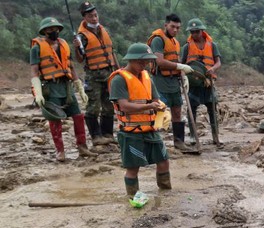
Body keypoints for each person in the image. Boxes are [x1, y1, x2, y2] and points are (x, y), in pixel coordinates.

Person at [30, 17, 98, 162]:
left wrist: (79, 87)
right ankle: (60, 151)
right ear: (44, 32)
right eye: (49, 29)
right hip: (50, 87)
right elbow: (34, 71)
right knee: (55, 119)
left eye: (55, 29)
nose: (53, 31)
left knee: (78, 115)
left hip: (66, 86)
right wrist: (38, 93)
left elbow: (71, 66)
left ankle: (82, 147)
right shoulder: (37, 48)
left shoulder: (64, 44)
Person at [108, 43, 171, 197]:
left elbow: (156, 99)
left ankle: (165, 192)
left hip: (150, 129)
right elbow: (124, 107)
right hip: (131, 132)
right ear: (131, 60)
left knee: (163, 160)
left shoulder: (146, 77)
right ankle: (133, 196)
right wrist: (150, 106)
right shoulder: (119, 79)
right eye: (141, 62)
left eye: (147, 62)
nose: (144, 65)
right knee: (133, 167)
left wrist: (162, 109)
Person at [147, 14, 194, 151]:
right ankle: (155, 142)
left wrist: (183, 74)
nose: (175, 30)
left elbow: (176, 61)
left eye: (178, 28)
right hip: (161, 81)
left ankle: (179, 142)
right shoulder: (158, 39)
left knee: (177, 110)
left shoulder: (175, 42)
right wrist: (179, 67)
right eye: (172, 26)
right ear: (166, 25)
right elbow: (159, 61)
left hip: (174, 81)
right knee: (160, 111)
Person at [73, 1, 117, 146]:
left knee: (109, 104)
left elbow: (111, 51)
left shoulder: (103, 30)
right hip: (94, 75)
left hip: (109, 72)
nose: (94, 18)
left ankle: (108, 134)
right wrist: (77, 48)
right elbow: (80, 59)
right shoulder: (82, 36)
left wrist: (117, 69)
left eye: (95, 15)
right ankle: (96, 136)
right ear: (84, 17)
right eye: (91, 16)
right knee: (94, 106)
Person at [180, 18, 222, 147]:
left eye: (197, 32)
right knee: (191, 109)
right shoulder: (187, 47)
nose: (194, 34)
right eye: (192, 32)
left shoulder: (212, 45)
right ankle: (193, 136)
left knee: (212, 109)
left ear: (202, 31)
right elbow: (181, 64)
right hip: (194, 83)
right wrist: (183, 78)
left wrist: (212, 69)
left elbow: (218, 62)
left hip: (208, 82)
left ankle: (215, 136)